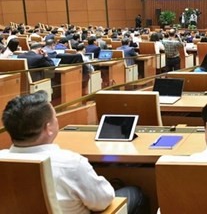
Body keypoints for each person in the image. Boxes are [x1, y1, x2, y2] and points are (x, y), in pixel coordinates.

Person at [0, 92, 146, 214]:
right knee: (135, 193)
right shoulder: (71, 163)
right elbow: (103, 201)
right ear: (48, 128)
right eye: (55, 117)